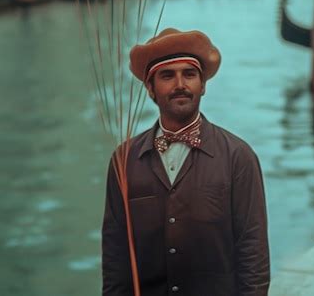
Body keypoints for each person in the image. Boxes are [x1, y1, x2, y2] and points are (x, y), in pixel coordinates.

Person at [102, 28, 270, 296]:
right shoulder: (124, 160)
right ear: (150, 89)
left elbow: (254, 256)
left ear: (202, 85)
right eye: (167, 76)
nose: (180, 84)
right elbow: (115, 256)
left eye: (189, 74)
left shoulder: (238, 157)